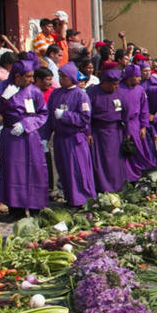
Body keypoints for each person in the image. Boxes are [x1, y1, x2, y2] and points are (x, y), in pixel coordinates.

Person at [0, 59, 49, 217]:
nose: (32, 80)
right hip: (11, 135)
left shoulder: (34, 91)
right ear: (17, 76)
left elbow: (43, 113)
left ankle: (35, 206)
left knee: (34, 170)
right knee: (13, 172)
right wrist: (3, 99)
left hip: (29, 135)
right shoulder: (1, 88)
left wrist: (27, 124)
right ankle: (16, 208)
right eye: (29, 76)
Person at [41, 62, 96, 208]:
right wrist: (45, 137)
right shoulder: (56, 94)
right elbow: (49, 118)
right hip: (59, 138)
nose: (61, 79)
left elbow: (84, 118)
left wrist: (65, 115)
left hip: (74, 139)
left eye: (64, 77)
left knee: (77, 169)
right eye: (59, 76)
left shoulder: (80, 95)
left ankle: (82, 199)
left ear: (72, 78)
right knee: (63, 169)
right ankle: (70, 197)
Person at [87, 68, 127, 193]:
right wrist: (88, 133)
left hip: (116, 132)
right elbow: (86, 116)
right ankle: (102, 188)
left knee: (115, 163)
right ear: (105, 83)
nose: (116, 87)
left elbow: (126, 113)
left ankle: (117, 187)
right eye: (114, 84)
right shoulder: (92, 93)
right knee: (101, 162)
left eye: (117, 84)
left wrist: (128, 132)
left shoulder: (119, 93)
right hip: (98, 132)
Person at [118, 64, 155, 180]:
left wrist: (143, 126)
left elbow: (144, 110)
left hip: (136, 125)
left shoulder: (140, 90)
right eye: (137, 77)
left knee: (139, 151)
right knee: (126, 151)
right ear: (129, 77)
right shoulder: (118, 89)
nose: (140, 79)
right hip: (122, 126)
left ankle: (140, 175)